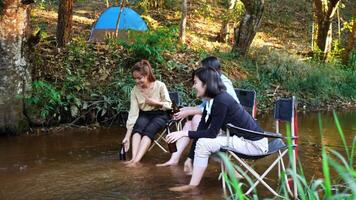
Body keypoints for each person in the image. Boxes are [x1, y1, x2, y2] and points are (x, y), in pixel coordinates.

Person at [164, 67, 268, 192]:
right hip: (241, 140)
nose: (193, 86)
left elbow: (211, 134)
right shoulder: (211, 101)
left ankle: (192, 187)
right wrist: (190, 158)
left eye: (195, 82)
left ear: (206, 84)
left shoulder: (221, 101)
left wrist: (183, 132)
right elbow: (202, 129)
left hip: (254, 145)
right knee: (206, 143)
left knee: (205, 143)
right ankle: (233, 174)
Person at [156, 56, 239, 171]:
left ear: (210, 71)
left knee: (195, 119)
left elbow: (214, 109)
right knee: (189, 123)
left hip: (229, 128)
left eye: (202, 69)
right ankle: (175, 159)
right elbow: (205, 107)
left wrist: (187, 113)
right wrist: (185, 110)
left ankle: (201, 159)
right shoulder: (212, 84)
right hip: (218, 124)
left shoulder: (223, 86)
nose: (199, 72)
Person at [122, 60, 172, 167]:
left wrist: (155, 103)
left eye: (139, 78)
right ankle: (133, 159)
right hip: (145, 114)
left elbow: (169, 105)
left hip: (161, 114)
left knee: (149, 130)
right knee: (137, 128)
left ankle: (137, 161)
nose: (137, 81)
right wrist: (127, 136)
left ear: (147, 75)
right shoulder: (135, 90)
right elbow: (133, 113)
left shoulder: (160, 85)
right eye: (135, 78)